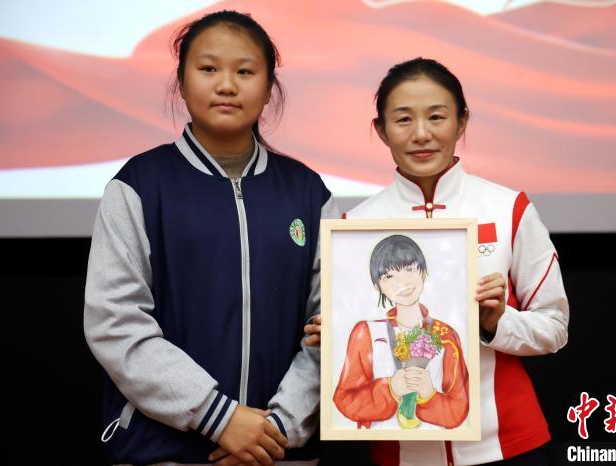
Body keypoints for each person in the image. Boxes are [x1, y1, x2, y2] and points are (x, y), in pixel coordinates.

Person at [84, 10, 337, 466]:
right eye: (208, 68)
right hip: (164, 451)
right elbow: (114, 322)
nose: (226, 85)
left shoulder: (308, 193)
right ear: (181, 82)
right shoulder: (139, 185)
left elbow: (332, 326)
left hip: (280, 453)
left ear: (269, 87)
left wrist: (275, 430)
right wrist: (219, 418)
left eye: (245, 72)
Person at [306, 58, 569, 465]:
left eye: (436, 116)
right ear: (381, 130)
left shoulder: (508, 208)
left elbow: (554, 328)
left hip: (508, 446)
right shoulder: (354, 228)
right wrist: (336, 337)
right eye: (403, 119)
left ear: (462, 122)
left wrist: (495, 324)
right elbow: (352, 368)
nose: (421, 134)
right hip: (399, 453)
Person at [333, 234, 469, 430]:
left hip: (434, 441)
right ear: (377, 286)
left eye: (409, 269)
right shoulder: (366, 332)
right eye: (389, 276)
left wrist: (429, 395)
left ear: (423, 271)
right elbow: (345, 399)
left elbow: (458, 410)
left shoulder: (446, 335)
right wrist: (390, 389)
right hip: (381, 443)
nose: (402, 282)